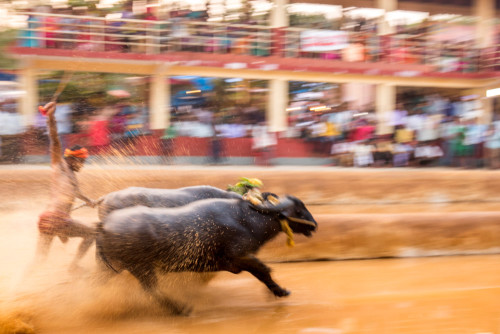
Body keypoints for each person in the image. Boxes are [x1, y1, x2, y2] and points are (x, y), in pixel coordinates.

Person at [32, 102, 96, 272]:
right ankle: (74, 267)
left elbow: (75, 192)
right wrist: (51, 118)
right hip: (57, 219)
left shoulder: (71, 175)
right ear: (73, 159)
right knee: (92, 234)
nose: (82, 165)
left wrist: (89, 200)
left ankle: (22, 284)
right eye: (81, 161)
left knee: (40, 258)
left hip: (48, 219)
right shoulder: (59, 165)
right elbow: (54, 140)